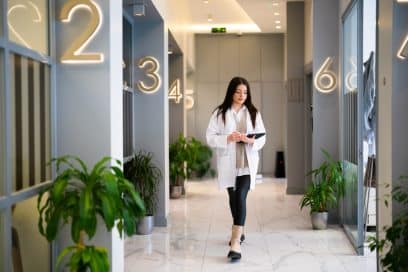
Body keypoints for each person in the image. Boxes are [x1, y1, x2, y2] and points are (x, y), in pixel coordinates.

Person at [206, 76, 266, 262]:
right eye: (238, 91)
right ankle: (240, 230)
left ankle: (235, 242)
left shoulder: (254, 112)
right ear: (231, 92)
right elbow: (209, 137)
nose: (242, 95)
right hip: (229, 165)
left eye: (245, 92)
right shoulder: (220, 113)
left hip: (247, 165)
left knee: (240, 196)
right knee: (233, 199)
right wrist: (227, 139)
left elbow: (263, 137)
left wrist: (250, 140)